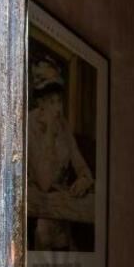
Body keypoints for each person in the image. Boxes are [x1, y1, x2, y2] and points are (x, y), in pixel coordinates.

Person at [27, 58, 95, 251]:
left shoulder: (64, 126)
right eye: (51, 102)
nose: (58, 108)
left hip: (63, 211)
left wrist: (84, 180)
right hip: (39, 215)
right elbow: (44, 182)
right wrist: (49, 132)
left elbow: (82, 166)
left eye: (59, 101)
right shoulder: (29, 126)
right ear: (41, 103)